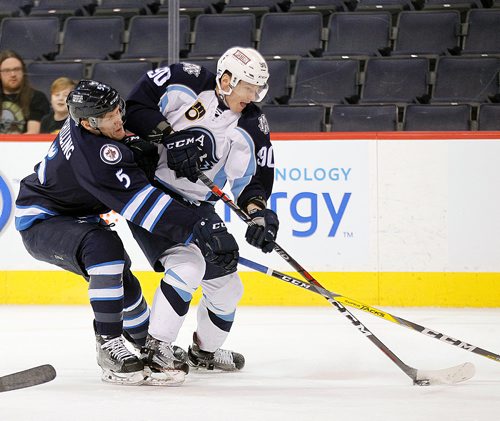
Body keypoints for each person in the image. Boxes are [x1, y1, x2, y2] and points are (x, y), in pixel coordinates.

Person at [14, 79, 215, 386]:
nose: (118, 118)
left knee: (123, 280)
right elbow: (143, 206)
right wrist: (197, 225)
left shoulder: (89, 127)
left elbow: (134, 118)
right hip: (43, 221)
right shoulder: (97, 155)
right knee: (104, 246)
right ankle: (108, 344)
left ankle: (143, 342)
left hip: (75, 217)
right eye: (109, 116)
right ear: (88, 123)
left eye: (116, 109)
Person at [124, 47, 279, 373]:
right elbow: (136, 107)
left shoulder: (252, 123)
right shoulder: (186, 80)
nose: (252, 96)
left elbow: (255, 179)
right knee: (188, 267)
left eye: (257, 89)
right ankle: (156, 349)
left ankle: (203, 353)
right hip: (153, 193)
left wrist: (258, 213)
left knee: (228, 288)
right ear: (227, 79)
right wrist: (168, 137)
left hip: (198, 206)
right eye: (248, 87)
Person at [0, 49, 49, 134]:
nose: (13, 74)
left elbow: (32, 134)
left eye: (17, 69)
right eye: (7, 70)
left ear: (23, 71)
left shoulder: (37, 97)